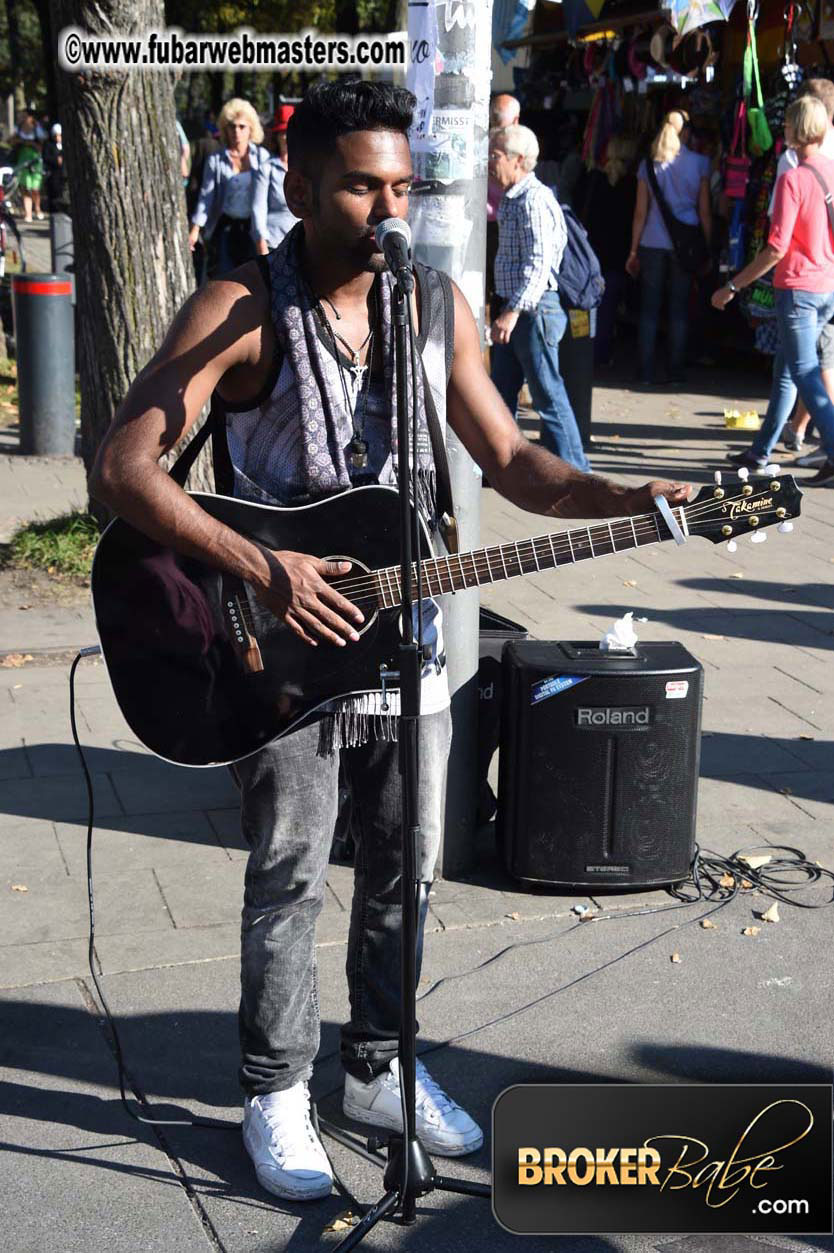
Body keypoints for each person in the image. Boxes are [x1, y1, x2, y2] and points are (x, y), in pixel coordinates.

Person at [89, 80, 689, 1204]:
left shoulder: (431, 305)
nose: (388, 211)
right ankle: (276, 1086)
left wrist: (624, 492)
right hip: (275, 647)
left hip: (404, 643)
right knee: (290, 873)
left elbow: (513, 461)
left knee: (407, 870)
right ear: (302, 187)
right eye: (363, 186)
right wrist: (268, 567)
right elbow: (122, 468)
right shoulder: (241, 304)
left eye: (403, 187)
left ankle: (375, 1067)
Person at [712, 95, 834, 486]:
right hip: (825, 285)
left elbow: (776, 246)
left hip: (798, 287)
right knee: (787, 369)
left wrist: (733, 285)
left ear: (794, 128)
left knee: (803, 372)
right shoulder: (831, 171)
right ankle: (761, 451)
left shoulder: (793, 178)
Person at [488, 124, 590, 470]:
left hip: (533, 311)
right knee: (501, 395)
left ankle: (578, 472)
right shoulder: (514, 197)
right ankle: (505, 468)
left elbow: (539, 264)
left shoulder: (534, 199)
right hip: (515, 309)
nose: (490, 162)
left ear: (518, 160)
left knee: (548, 396)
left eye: (496, 155)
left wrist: (511, 312)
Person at [626, 109, 711, 387]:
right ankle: (675, 371)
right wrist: (707, 246)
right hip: (684, 246)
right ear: (685, 132)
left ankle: (644, 372)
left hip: (651, 242)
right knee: (678, 310)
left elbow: (640, 212)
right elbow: (705, 211)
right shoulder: (700, 163)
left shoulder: (649, 165)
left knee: (649, 310)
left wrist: (633, 251)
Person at [188, 98, 270, 278]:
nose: (236, 132)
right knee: (225, 279)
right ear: (225, 129)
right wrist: (195, 229)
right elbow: (206, 197)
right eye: (232, 126)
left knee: (256, 280)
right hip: (226, 227)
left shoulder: (262, 158)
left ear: (251, 129)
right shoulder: (215, 160)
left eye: (242, 127)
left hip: (255, 229)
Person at [579, 135, 637, 367]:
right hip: (617, 255)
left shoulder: (592, 180)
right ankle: (600, 354)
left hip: (591, 253)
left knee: (588, 306)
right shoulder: (631, 185)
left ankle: (585, 352)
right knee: (608, 308)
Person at [486, 94, 520, 312]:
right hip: (500, 224)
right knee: (503, 283)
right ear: (516, 119)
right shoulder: (514, 145)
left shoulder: (481, 140)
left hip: (487, 223)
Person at [252, 107, 296, 255]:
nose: (285, 138)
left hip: (303, 245)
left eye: (289, 132)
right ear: (276, 136)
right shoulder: (266, 168)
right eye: (282, 133)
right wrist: (261, 244)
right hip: (273, 243)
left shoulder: (308, 167)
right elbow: (258, 208)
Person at [13, 113, 44, 222]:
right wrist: (19, 142)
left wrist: (31, 144)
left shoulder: (37, 128)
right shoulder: (18, 128)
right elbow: (11, 141)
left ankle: (37, 208)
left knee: (35, 188)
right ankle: (28, 213)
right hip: (23, 159)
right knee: (25, 187)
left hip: (35, 160)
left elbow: (41, 146)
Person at [42, 123, 66, 212]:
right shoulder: (49, 145)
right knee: (53, 193)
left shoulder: (65, 145)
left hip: (63, 173)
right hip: (53, 173)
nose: (58, 138)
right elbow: (46, 157)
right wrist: (56, 160)